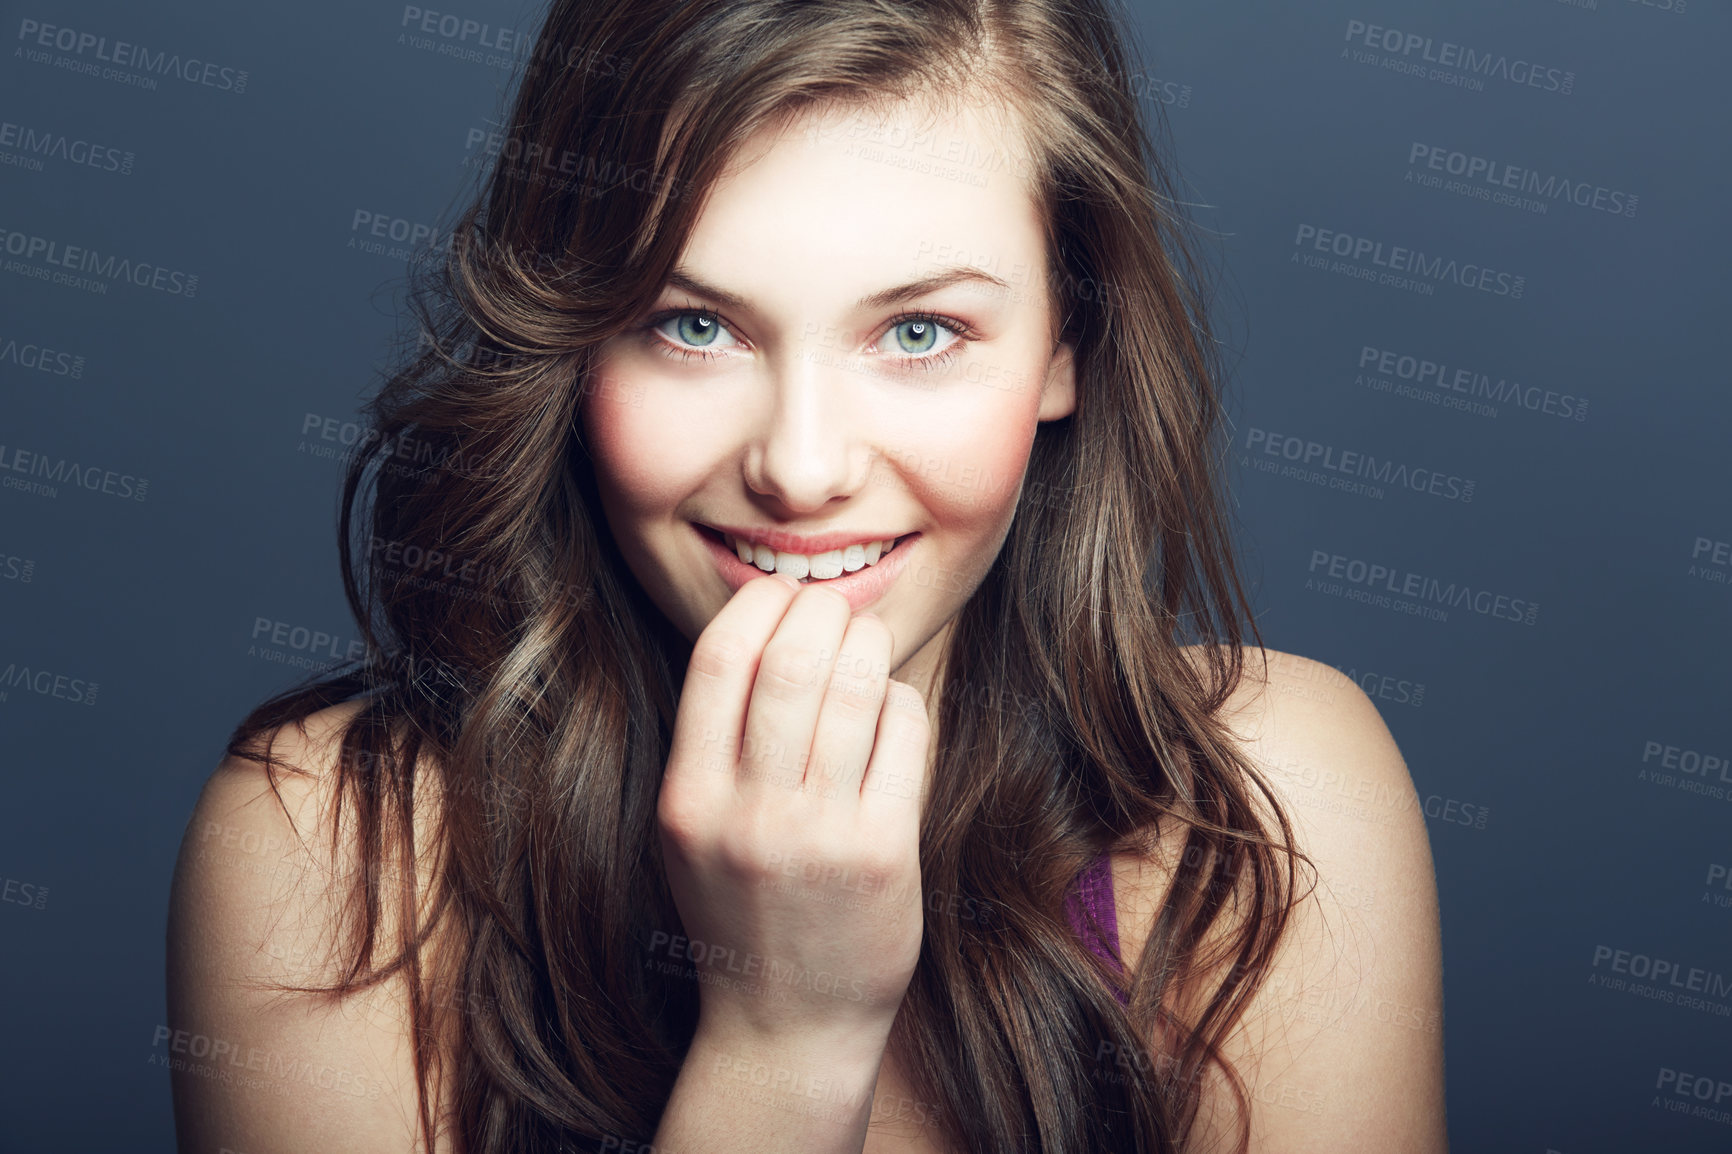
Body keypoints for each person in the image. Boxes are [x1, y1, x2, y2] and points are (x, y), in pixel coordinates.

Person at [166, 0, 1446, 1150]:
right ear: (574, 341)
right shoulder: (336, 849)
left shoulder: (1260, 806)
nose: (801, 466)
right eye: (694, 325)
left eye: (918, 331)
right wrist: (784, 1045)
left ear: (1068, 346)